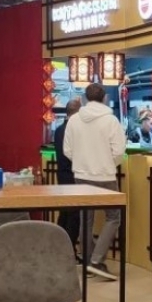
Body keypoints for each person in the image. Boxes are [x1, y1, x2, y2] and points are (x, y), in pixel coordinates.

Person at [62, 83, 126, 281]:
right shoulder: (111, 121)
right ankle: (97, 260)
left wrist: (82, 164)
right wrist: (107, 164)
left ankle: (89, 263)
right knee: (113, 217)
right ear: (105, 98)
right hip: (105, 176)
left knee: (86, 219)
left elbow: (67, 150)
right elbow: (119, 151)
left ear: (85, 98)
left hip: (81, 176)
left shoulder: (74, 120)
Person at [52, 97, 82, 252]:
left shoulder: (59, 130)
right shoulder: (75, 130)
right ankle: (69, 250)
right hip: (73, 175)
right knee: (74, 215)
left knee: (64, 213)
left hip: (62, 175)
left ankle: (58, 247)